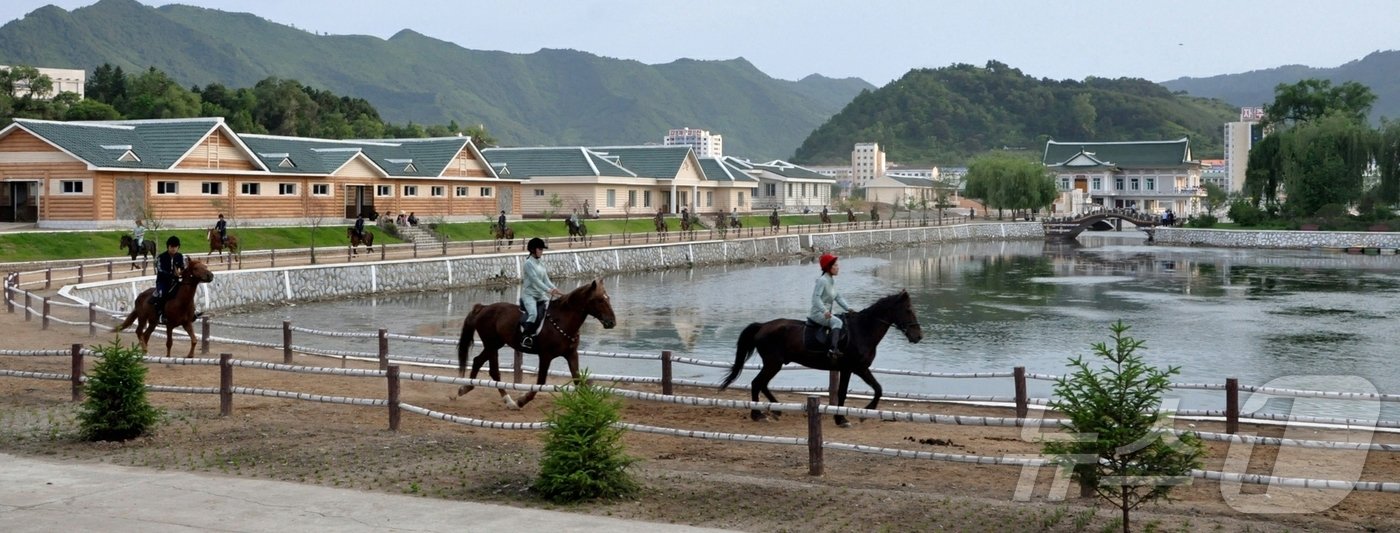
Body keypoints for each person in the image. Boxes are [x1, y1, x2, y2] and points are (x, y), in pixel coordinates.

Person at [520, 237, 564, 349]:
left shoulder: (540, 263)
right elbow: (535, 280)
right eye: (540, 249)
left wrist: (555, 289)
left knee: (554, 309)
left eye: (542, 249)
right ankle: (526, 337)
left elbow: (546, 279)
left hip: (540, 295)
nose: (542, 251)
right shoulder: (528, 264)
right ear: (533, 250)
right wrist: (548, 290)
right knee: (533, 314)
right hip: (530, 295)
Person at [810, 253, 854, 363]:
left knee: (844, 319)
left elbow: (838, 297)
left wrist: (848, 308)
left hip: (827, 313)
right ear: (829, 267)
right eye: (835, 265)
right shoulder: (822, 281)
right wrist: (824, 311)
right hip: (818, 314)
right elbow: (815, 299)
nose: (838, 267)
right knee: (838, 322)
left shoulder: (831, 280)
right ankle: (833, 349)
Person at [152, 236, 186, 324]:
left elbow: (182, 267)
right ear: (168, 247)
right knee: (161, 294)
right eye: (172, 247)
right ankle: (160, 314)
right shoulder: (161, 257)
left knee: (185, 292)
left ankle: (190, 311)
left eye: (175, 247)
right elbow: (160, 270)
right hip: (163, 281)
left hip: (175, 281)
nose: (174, 249)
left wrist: (182, 273)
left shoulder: (180, 256)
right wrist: (171, 275)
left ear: (178, 247)